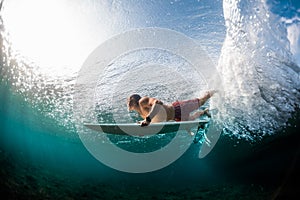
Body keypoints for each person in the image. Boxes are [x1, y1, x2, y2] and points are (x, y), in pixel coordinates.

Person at [127, 90, 217, 127]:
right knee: (191, 118)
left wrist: (148, 119)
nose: (127, 102)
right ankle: (204, 112)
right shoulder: (141, 114)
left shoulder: (142, 101)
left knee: (201, 101)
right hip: (176, 118)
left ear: (134, 100)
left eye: (129, 100)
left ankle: (215, 90)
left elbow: (158, 103)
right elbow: (155, 120)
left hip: (179, 108)